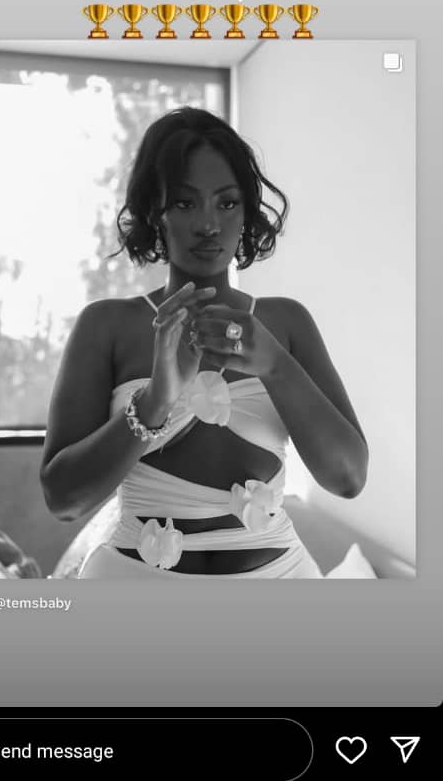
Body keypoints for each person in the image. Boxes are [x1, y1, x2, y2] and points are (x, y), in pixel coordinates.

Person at [40, 107, 368, 579]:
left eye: (227, 203)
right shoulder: (106, 325)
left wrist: (275, 366)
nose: (209, 224)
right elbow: (64, 500)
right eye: (184, 202)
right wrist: (156, 400)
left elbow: (348, 479)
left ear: (246, 212)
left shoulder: (286, 323)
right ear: (155, 212)